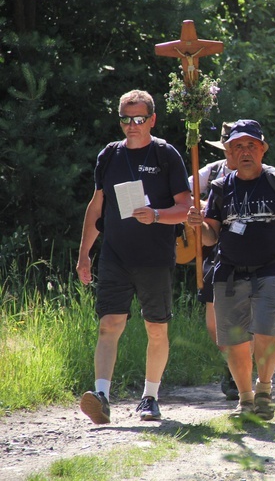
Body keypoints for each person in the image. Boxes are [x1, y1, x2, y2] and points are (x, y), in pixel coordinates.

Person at [77, 90, 192, 424]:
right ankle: (101, 396)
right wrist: (84, 254)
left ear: (152, 120)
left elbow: (184, 209)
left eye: (139, 119)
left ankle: (150, 397)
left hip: (155, 258)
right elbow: (96, 205)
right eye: (126, 119)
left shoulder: (166, 155)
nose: (132, 125)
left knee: (156, 328)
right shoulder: (109, 156)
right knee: (108, 324)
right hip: (115, 256)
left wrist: (155, 215)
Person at [187, 119, 275, 419]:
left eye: (251, 146)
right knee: (234, 341)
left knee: (267, 332)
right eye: (238, 146)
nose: (245, 152)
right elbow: (210, 237)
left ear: (263, 149)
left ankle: (265, 390)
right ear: (229, 152)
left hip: (272, 270)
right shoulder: (220, 189)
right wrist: (197, 225)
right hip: (229, 272)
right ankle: (245, 398)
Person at [190, 122, 239, 400]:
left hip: (245, 250)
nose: (231, 152)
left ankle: (237, 371)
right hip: (214, 250)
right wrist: (197, 208)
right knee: (213, 322)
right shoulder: (213, 171)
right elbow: (185, 192)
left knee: (243, 317)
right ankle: (232, 363)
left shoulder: (254, 173)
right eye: (228, 148)